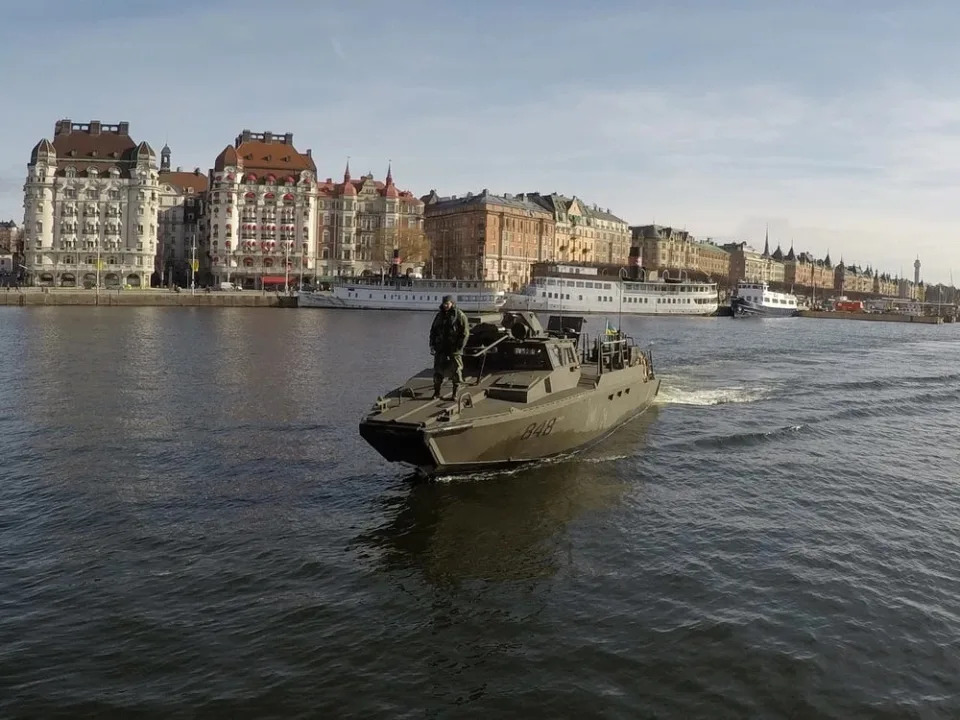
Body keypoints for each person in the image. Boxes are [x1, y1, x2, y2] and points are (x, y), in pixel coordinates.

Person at [429, 295, 470, 399]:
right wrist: (432, 344)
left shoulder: (459, 315)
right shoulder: (439, 316)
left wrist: (459, 347)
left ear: (452, 303)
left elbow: (465, 333)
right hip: (441, 348)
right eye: (444, 304)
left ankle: (455, 394)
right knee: (438, 371)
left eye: (447, 304)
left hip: (454, 348)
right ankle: (437, 392)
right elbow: (433, 330)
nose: (445, 305)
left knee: (456, 372)